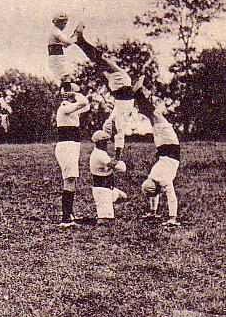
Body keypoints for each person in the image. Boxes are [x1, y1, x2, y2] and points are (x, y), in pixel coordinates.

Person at [73, 24, 143, 162]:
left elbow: (110, 136)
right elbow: (119, 137)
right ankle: (79, 41)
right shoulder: (119, 123)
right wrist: (118, 157)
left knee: (100, 59)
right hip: (121, 84)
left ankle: (79, 41)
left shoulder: (111, 121)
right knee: (100, 59)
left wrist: (110, 154)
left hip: (120, 84)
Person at [135, 87, 182, 227]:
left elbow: (159, 195)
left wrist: (167, 216)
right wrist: (170, 218)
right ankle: (138, 94)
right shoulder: (157, 178)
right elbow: (164, 195)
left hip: (166, 146)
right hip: (167, 146)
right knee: (154, 116)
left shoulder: (157, 178)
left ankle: (138, 94)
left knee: (154, 115)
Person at [54, 84, 90, 227]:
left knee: (72, 180)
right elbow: (84, 102)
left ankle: (69, 214)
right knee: (69, 180)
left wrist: (75, 95)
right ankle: (65, 218)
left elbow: (87, 106)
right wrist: (75, 95)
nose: (78, 94)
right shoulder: (64, 108)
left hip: (72, 146)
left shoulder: (71, 109)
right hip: (67, 146)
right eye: (76, 91)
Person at [88, 130, 128, 224]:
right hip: (102, 189)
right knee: (105, 221)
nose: (108, 143)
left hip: (107, 188)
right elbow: (121, 168)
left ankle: (110, 200)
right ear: (100, 142)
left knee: (123, 197)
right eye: (106, 141)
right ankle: (106, 205)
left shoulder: (101, 153)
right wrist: (119, 153)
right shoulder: (99, 155)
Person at [47, 13, 76, 84]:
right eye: (64, 23)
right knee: (65, 76)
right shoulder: (56, 32)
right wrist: (76, 37)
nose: (64, 26)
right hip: (57, 57)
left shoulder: (54, 32)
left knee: (64, 77)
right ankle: (66, 93)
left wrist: (73, 37)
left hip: (55, 56)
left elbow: (65, 45)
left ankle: (64, 92)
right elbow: (68, 42)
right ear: (58, 22)